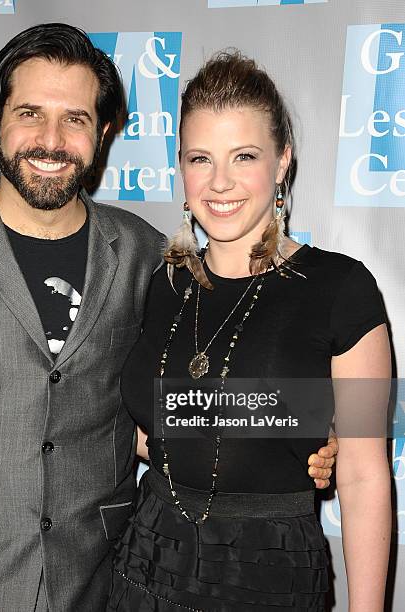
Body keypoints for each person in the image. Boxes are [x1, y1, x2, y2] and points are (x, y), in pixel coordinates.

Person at [0, 23, 336, 612]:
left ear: (103, 133)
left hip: (106, 581)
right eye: (29, 112)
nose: (50, 140)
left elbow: (203, 387)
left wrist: (312, 430)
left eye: (75, 118)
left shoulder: (145, 255)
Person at [108, 51, 391, 611]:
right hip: (147, 560)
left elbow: (363, 476)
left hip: (269, 573)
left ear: (282, 160)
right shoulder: (162, 283)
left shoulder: (341, 289)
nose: (219, 183)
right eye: (200, 158)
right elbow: (154, 428)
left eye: (244, 156)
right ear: (180, 167)